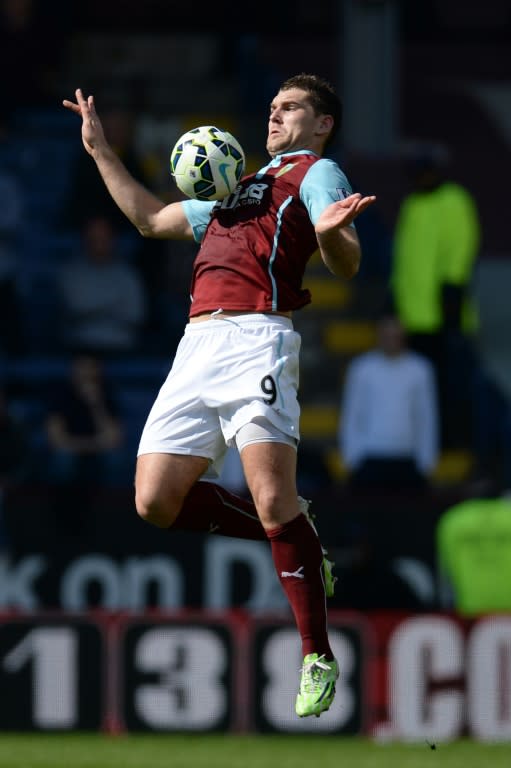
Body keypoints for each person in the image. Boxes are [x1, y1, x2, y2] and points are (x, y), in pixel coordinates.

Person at [63, 73, 376, 718]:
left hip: (258, 336)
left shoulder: (316, 171)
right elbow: (151, 219)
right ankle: (296, 537)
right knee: (154, 501)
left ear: (321, 124)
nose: (275, 114)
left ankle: (315, 652)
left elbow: (344, 261)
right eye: (272, 106)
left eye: (291, 108)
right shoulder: (238, 187)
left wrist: (336, 232)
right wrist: (99, 149)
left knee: (269, 495)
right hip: (195, 348)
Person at [390, 142, 481, 448]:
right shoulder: (412, 204)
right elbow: (404, 261)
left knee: (452, 388)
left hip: (444, 317)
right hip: (413, 319)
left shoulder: (454, 200)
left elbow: (459, 250)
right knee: (424, 393)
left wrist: (451, 302)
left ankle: (457, 445)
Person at [339, 312, 439, 492]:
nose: (391, 339)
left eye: (396, 335)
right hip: (370, 456)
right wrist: (352, 458)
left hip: (408, 457)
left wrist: (426, 461)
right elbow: (353, 414)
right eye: (387, 334)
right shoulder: (362, 368)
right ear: (379, 335)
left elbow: (425, 416)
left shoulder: (420, 369)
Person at [56, 214, 148, 357]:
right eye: (93, 238)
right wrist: (112, 307)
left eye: (104, 238)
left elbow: (135, 315)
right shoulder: (71, 272)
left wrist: (93, 310)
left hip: (122, 348)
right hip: (80, 347)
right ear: (84, 239)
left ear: (113, 239)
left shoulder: (128, 275)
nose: (99, 243)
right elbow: (75, 308)